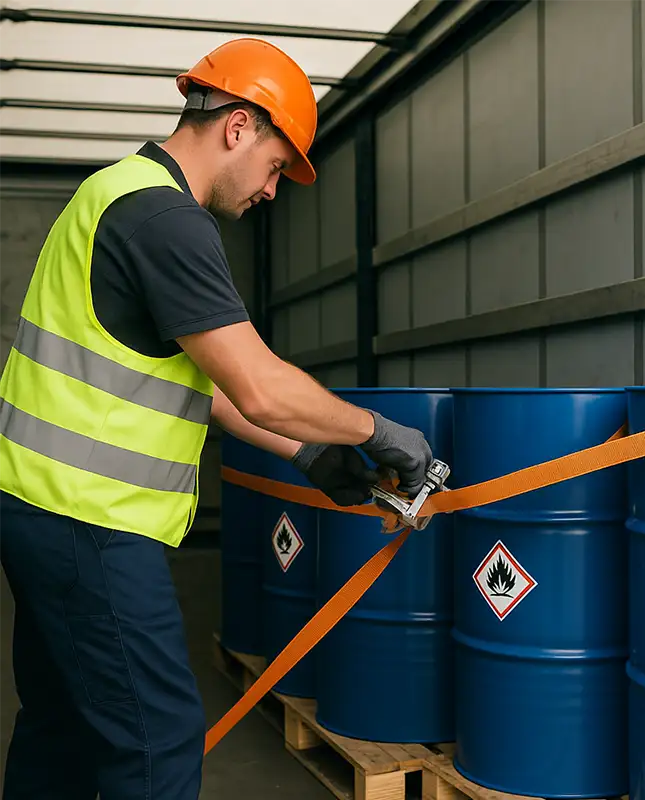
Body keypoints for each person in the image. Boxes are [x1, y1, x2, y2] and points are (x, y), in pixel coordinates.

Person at [0, 37, 432, 800]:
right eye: (276, 165)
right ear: (238, 124)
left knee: (62, 724)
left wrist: (311, 455)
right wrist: (375, 431)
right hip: (89, 523)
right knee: (158, 743)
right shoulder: (164, 219)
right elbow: (258, 383)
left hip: (41, 505)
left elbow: (215, 393)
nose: (272, 190)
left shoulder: (113, 192)